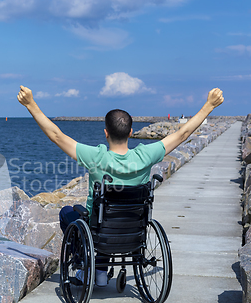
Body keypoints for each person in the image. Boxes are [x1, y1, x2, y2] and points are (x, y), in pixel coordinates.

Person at [17, 85, 224, 286]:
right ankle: (99, 271)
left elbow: (56, 135)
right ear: (131, 132)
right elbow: (182, 134)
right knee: (104, 217)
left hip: (99, 231)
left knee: (67, 213)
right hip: (133, 230)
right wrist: (209, 106)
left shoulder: (95, 157)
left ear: (106, 133)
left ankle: (87, 267)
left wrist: (31, 104)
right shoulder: (145, 155)